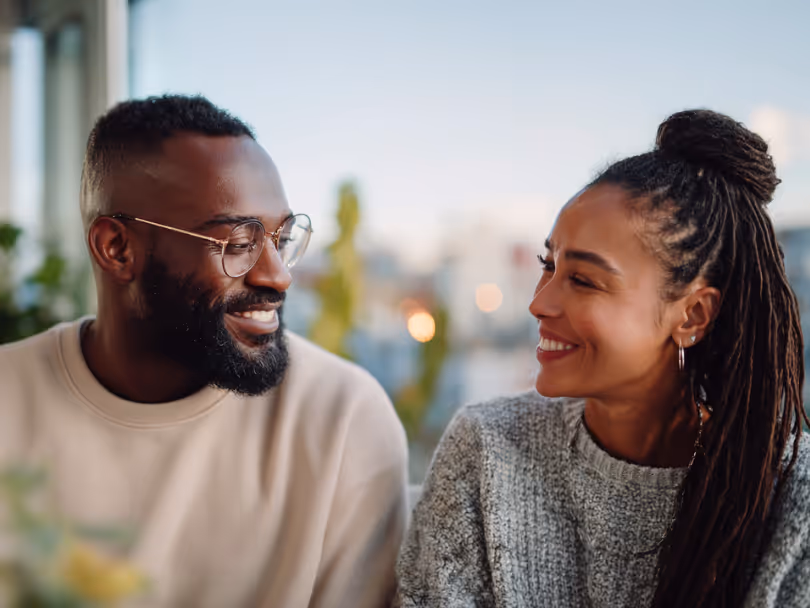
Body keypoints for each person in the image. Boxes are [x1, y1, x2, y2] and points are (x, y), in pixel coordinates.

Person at [0, 95, 408, 607]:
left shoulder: (342, 419)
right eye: (238, 241)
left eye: (281, 238)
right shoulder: (8, 400)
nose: (278, 275)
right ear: (116, 248)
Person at [395, 109, 810, 607]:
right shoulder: (488, 448)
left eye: (584, 280)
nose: (539, 303)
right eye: (548, 266)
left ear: (694, 315)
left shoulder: (794, 498)